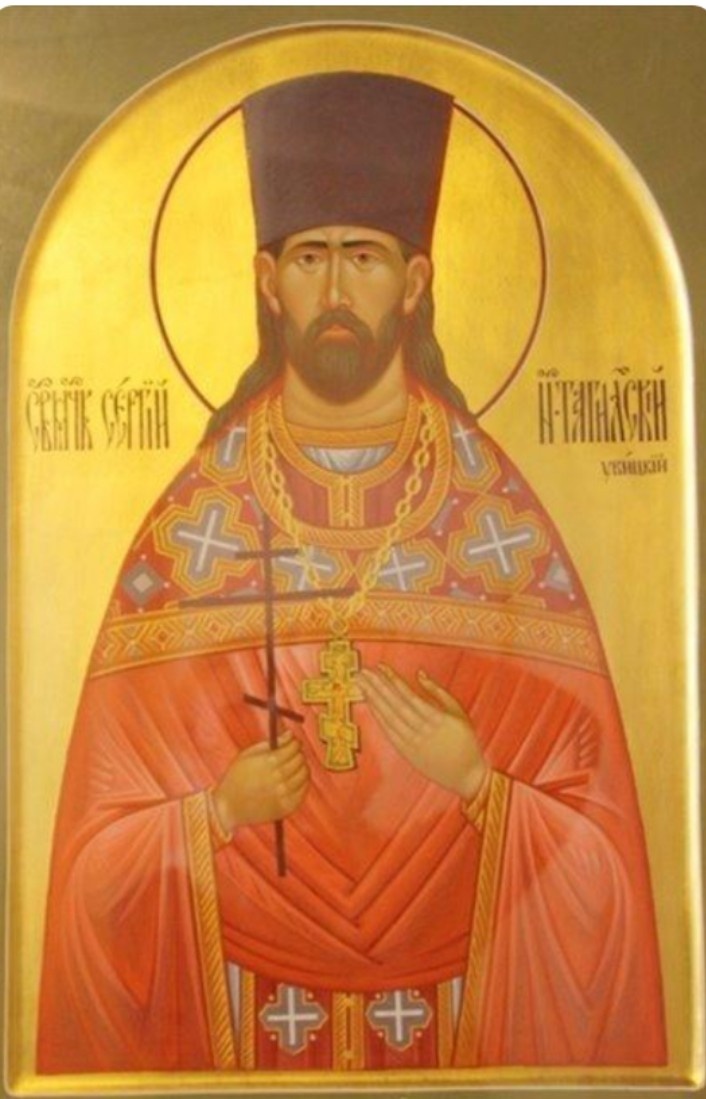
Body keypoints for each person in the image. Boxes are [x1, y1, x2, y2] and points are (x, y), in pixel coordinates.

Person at [37, 72, 666, 1074]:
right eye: (310, 258)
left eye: (363, 258)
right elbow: (85, 883)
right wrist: (216, 815)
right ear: (266, 279)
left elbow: (609, 880)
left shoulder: (500, 527)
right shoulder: (192, 531)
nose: (335, 295)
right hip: (242, 1017)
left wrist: (480, 785)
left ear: (413, 282)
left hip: (459, 1021)